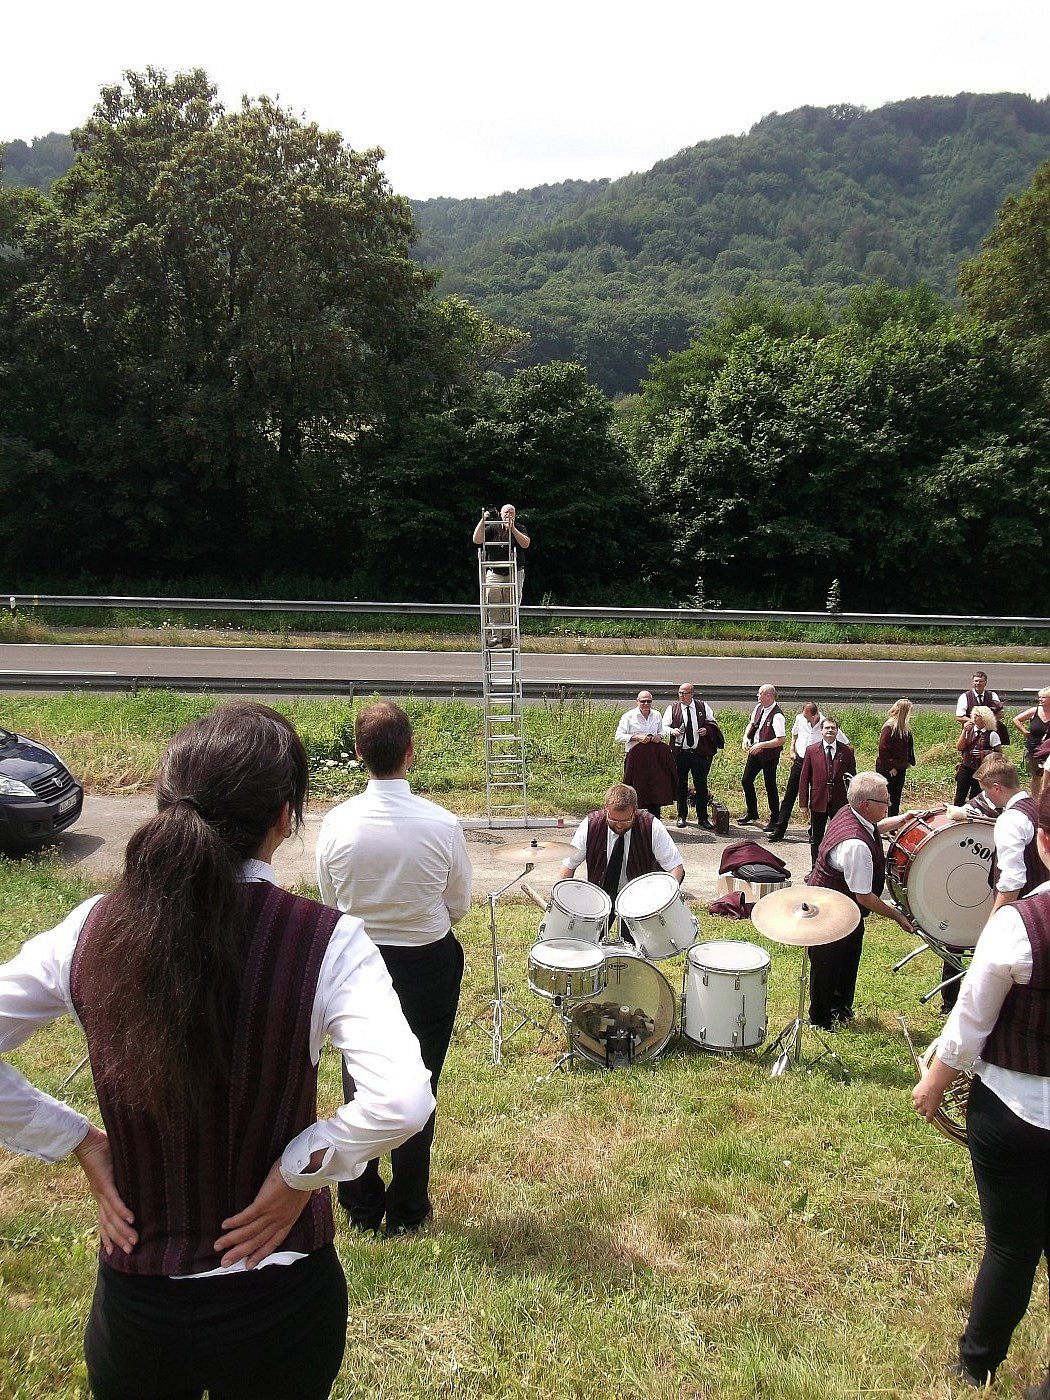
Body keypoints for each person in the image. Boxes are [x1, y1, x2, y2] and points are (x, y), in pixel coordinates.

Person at [0, 702, 434, 1400]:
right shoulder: (327, 940)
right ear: (285, 817)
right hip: (281, 1299)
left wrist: (75, 1140)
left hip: (140, 1300)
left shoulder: (89, 928)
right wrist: (299, 1170)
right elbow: (403, 1100)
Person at [912, 783, 1050, 1394]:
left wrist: (933, 1085)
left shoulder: (1021, 926)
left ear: (1043, 841)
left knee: (1012, 1247)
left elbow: (969, 1022)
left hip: (1016, 1111)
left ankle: (976, 1364)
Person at [316, 701, 471, 1238]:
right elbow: (458, 903)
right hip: (426, 961)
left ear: (358, 752)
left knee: (359, 1077)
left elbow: (330, 900)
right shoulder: (442, 823)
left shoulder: (337, 822)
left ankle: (361, 1204)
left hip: (357, 960)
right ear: (410, 751)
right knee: (421, 1079)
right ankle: (407, 1208)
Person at [805, 770, 916, 1029]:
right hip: (830, 909)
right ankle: (820, 1021)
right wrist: (898, 916)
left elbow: (874, 828)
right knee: (827, 964)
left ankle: (841, 1010)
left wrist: (901, 820)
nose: (890, 804)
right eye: (885, 801)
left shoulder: (849, 812)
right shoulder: (856, 846)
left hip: (845, 906)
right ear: (866, 804)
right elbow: (864, 896)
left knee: (848, 956)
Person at [556, 784, 685, 902]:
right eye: (613, 819)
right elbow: (568, 867)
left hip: (641, 900)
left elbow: (676, 868)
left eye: (625, 821)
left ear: (634, 810)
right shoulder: (590, 825)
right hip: (598, 899)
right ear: (606, 808)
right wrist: (562, 899)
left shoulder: (651, 825)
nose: (619, 825)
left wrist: (664, 899)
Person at [768, 703, 849, 842]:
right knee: (789, 795)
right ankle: (779, 829)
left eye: (808, 718)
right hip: (800, 760)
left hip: (818, 762)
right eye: (804, 717)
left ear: (816, 714)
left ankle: (814, 831)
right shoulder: (800, 718)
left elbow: (845, 743)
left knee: (817, 795)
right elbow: (794, 734)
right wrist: (792, 749)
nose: (806, 720)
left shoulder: (826, 725)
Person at [799, 717, 857, 867]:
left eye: (833, 728)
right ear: (821, 731)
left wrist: (853, 803)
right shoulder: (811, 750)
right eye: (827, 728)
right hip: (818, 801)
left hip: (840, 802)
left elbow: (852, 778)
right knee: (816, 837)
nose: (830, 730)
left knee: (841, 836)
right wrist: (803, 804)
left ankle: (838, 868)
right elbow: (804, 779)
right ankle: (815, 867)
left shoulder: (847, 751)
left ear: (837, 731)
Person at [662, 683, 722, 830]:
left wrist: (706, 730)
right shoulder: (673, 708)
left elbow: (712, 722)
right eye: (680, 693)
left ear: (692, 694)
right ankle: (682, 816)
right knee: (681, 785)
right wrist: (671, 731)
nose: (681, 696)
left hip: (698, 753)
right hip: (680, 753)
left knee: (701, 786)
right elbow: (663, 726)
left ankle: (703, 818)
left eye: (684, 693)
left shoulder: (702, 706)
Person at [472, 504, 530, 647]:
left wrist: (513, 529)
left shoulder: (520, 527)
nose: (508, 514)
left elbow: (526, 544)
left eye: (511, 512)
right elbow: (477, 540)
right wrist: (483, 520)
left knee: (511, 604)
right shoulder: (493, 528)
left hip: (514, 571)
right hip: (495, 571)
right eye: (506, 512)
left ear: (515, 515)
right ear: (500, 514)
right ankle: (496, 636)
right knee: (493, 603)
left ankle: (508, 637)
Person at [739, 684, 785, 831]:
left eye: (760, 693)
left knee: (770, 785)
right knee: (746, 781)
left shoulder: (777, 716)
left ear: (768, 696)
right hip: (755, 752)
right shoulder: (759, 708)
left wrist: (762, 745)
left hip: (769, 755)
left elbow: (781, 740)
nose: (757, 696)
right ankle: (752, 812)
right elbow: (752, 724)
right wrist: (746, 737)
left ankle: (774, 819)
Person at [615, 692, 666, 817]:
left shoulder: (657, 715)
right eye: (643, 701)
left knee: (654, 788)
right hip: (635, 758)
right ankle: (633, 817)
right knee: (634, 788)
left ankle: (655, 819)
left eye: (649, 701)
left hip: (653, 758)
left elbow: (662, 731)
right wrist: (636, 737)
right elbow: (619, 736)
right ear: (637, 701)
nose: (646, 704)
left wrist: (659, 736)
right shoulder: (629, 716)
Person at [955, 704, 1002, 806]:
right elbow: (959, 747)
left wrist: (985, 753)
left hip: (981, 770)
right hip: (966, 768)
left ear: (985, 718)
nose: (974, 718)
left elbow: (999, 754)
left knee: (975, 797)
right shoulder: (969, 731)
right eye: (974, 715)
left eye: (977, 716)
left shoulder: (992, 734)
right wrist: (964, 731)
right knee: (959, 797)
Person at [876, 697, 916, 817]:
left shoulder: (904, 728)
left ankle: (893, 820)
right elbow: (883, 749)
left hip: (900, 767)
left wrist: (909, 761)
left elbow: (908, 747)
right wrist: (890, 767)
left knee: (896, 797)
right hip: (889, 768)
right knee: (886, 797)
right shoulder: (889, 727)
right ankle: (883, 819)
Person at [1013, 687, 1050, 797]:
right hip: (1034, 749)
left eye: (1044, 697)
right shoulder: (1035, 711)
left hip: (1048, 750)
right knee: (1036, 776)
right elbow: (1016, 719)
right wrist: (1024, 731)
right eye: (1040, 697)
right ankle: (1035, 800)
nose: (1040, 700)